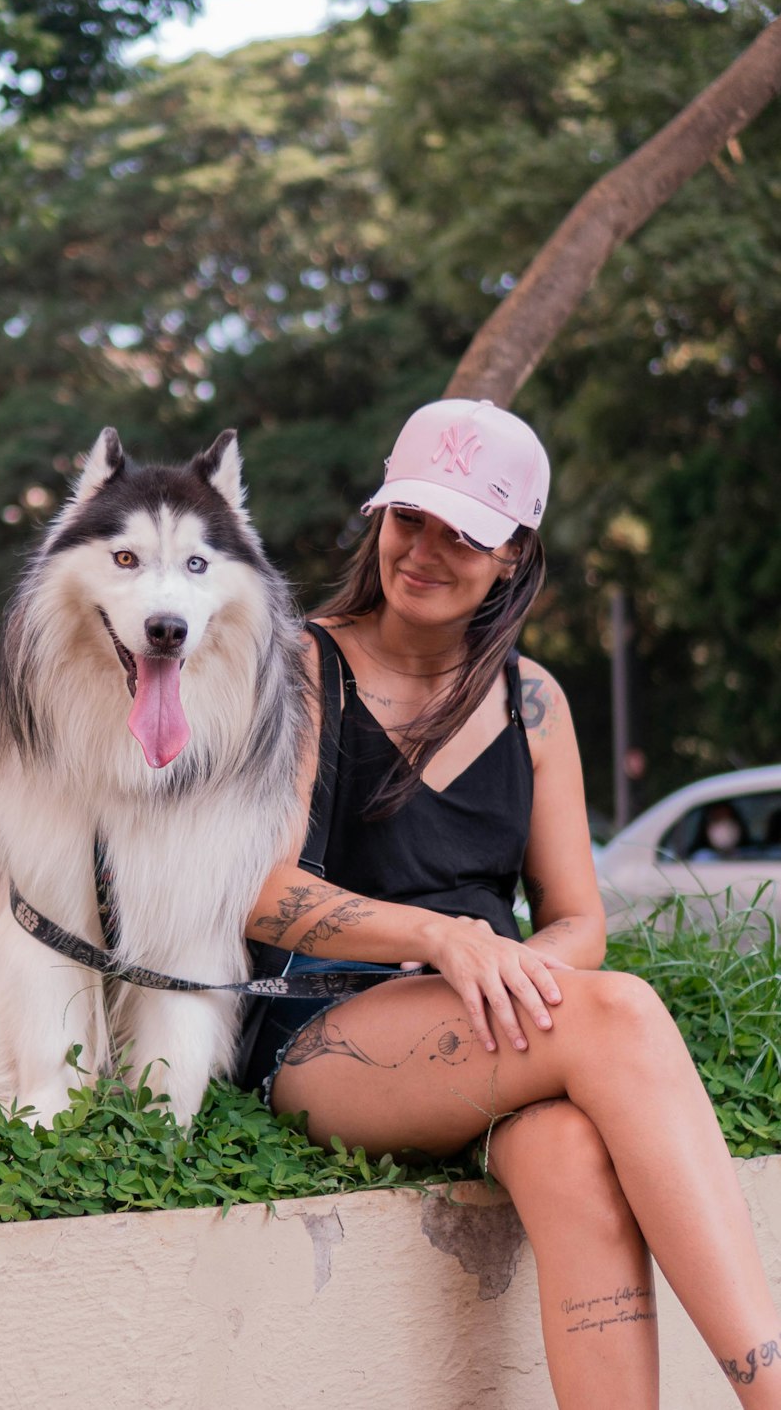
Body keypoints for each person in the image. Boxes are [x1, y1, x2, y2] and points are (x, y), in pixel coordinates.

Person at [239, 398, 781, 1409]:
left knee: (571, 1157)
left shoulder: (533, 701)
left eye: (464, 535)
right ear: (379, 517)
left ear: (511, 556)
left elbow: (576, 917)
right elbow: (262, 894)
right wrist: (444, 941)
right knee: (619, 1010)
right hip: (318, 1029)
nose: (427, 552)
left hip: (484, 1025)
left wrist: (509, 975)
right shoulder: (302, 668)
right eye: (411, 520)